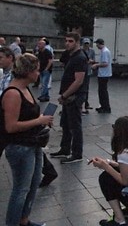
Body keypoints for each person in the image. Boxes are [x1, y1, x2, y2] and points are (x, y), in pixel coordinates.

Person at [0, 53, 54, 226]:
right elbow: (11, 126)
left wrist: (42, 119)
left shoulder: (25, 89)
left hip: (33, 143)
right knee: (21, 189)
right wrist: (39, 120)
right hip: (19, 146)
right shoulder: (13, 93)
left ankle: (24, 220)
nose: (39, 73)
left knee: (33, 184)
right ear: (28, 71)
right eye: (36, 70)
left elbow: (29, 113)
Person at [50, 32, 88, 164]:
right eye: (66, 41)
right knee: (66, 124)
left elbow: (78, 81)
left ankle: (77, 153)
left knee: (75, 126)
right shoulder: (71, 56)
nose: (67, 43)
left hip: (74, 97)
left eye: (70, 41)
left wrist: (65, 95)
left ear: (77, 42)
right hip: (68, 96)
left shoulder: (80, 58)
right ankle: (65, 148)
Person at [92, 38, 112, 114]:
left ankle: (105, 107)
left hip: (104, 74)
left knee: (102, 91)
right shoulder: (105, 51)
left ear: (99, 44)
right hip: (104, 74)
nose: (96, 45)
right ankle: (103, 106)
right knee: (102, 91)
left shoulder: (104, 51)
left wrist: (96, 65)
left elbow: (105, 63)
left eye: (97, 44)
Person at [82, 38, 95, 114]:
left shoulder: (92, 51)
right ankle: (82, 103)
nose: (86, 45)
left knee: (86, 88)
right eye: (85, 44)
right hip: (82, 71)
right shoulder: (80, 50)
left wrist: (91, 61)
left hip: (88, 71)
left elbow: (94, 60)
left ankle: (86, 103)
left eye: (87, 43)